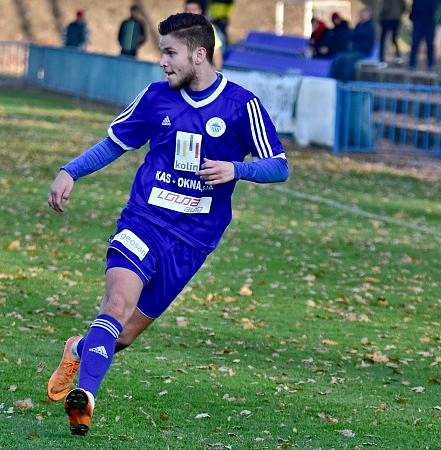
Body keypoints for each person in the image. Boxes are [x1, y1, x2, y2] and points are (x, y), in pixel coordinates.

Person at [46, 12, 289, 436]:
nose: (162, 61)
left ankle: (80, 349)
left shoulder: (241, 105)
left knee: (122, 336)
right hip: (144, 221)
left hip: (193, 241)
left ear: (199, 54)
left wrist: (237, 169)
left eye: (170, 52)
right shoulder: (156, 98)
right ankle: (84, 399)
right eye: (162, 52)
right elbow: (114, 143)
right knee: (115, 307)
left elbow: (279, 166)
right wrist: (70, 171)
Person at [329, 8, 375, 81]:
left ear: (369, 16)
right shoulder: (359, 25)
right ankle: (334, 80)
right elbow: (351, 35)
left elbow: (359, 35)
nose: (361, 16)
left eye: (364, 15)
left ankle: (346, 81)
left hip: (362, 52)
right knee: (338, 58)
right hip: (352, 51)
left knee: (349, 60)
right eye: (361, 14)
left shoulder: (370, 26)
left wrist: (353, 35)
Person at [185, 0, 224, 69]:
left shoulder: (207, 28)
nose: (191, 13)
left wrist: (218, 71)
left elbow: (216, 52)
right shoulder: (178, 28)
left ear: (200, 11)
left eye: (194, 10)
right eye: (188, 10)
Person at [409, 0, 438, 70]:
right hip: (421, 19)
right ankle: (413, 64)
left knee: (428, 43)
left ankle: (430, 64)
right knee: (417, 43)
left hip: (427, 20)